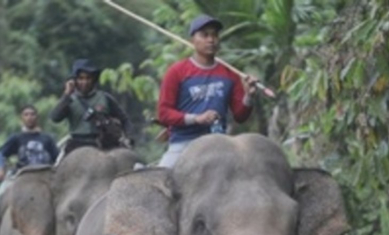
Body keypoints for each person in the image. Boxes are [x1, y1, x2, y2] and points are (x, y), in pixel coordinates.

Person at [156, 14, 258, 167]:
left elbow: (240, 116)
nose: (211, 40)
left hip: (219, 143)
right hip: (183, 142)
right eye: (204, 35)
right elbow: (164, 113)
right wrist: (196, 118)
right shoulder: (177, 71)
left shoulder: (230, 73)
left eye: (215, 35)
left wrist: (249, 96)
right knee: (161, 181)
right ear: (193, 40)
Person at [50, 58, 134, 153]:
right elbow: (55, 118)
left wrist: (129, 137)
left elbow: (125, 120)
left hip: (103, 144)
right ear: (74, 80)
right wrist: (66, 94)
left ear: (93, 79)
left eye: (88, 78)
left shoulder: (105, 98)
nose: (84, 82)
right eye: (81, 78)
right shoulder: (69, 99)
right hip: (76, 144)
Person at [0, 105, 59, 204]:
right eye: (26, 115)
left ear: (37, 117)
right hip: (22, 173)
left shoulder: (47, 138)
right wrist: (0, 169)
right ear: (22, 118)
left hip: (45, 174)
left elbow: (58, 158)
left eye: (32, 114)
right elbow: (0, 154)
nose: (29, 117)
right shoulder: (17, 138)